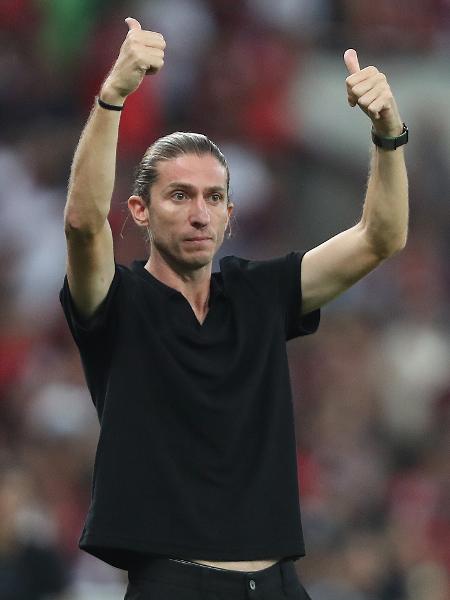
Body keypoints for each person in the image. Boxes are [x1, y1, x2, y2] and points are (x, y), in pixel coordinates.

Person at [60, 16, 408, 600]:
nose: (199, 213)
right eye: (179, 195)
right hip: (174, 583)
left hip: (278, 584)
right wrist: (113, 97)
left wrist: (389, 134)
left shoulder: (260, 293)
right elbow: (82, 222)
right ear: (140, 212)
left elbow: (381, 237)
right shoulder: (118, 302)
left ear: (229, 215)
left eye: (213, 197)